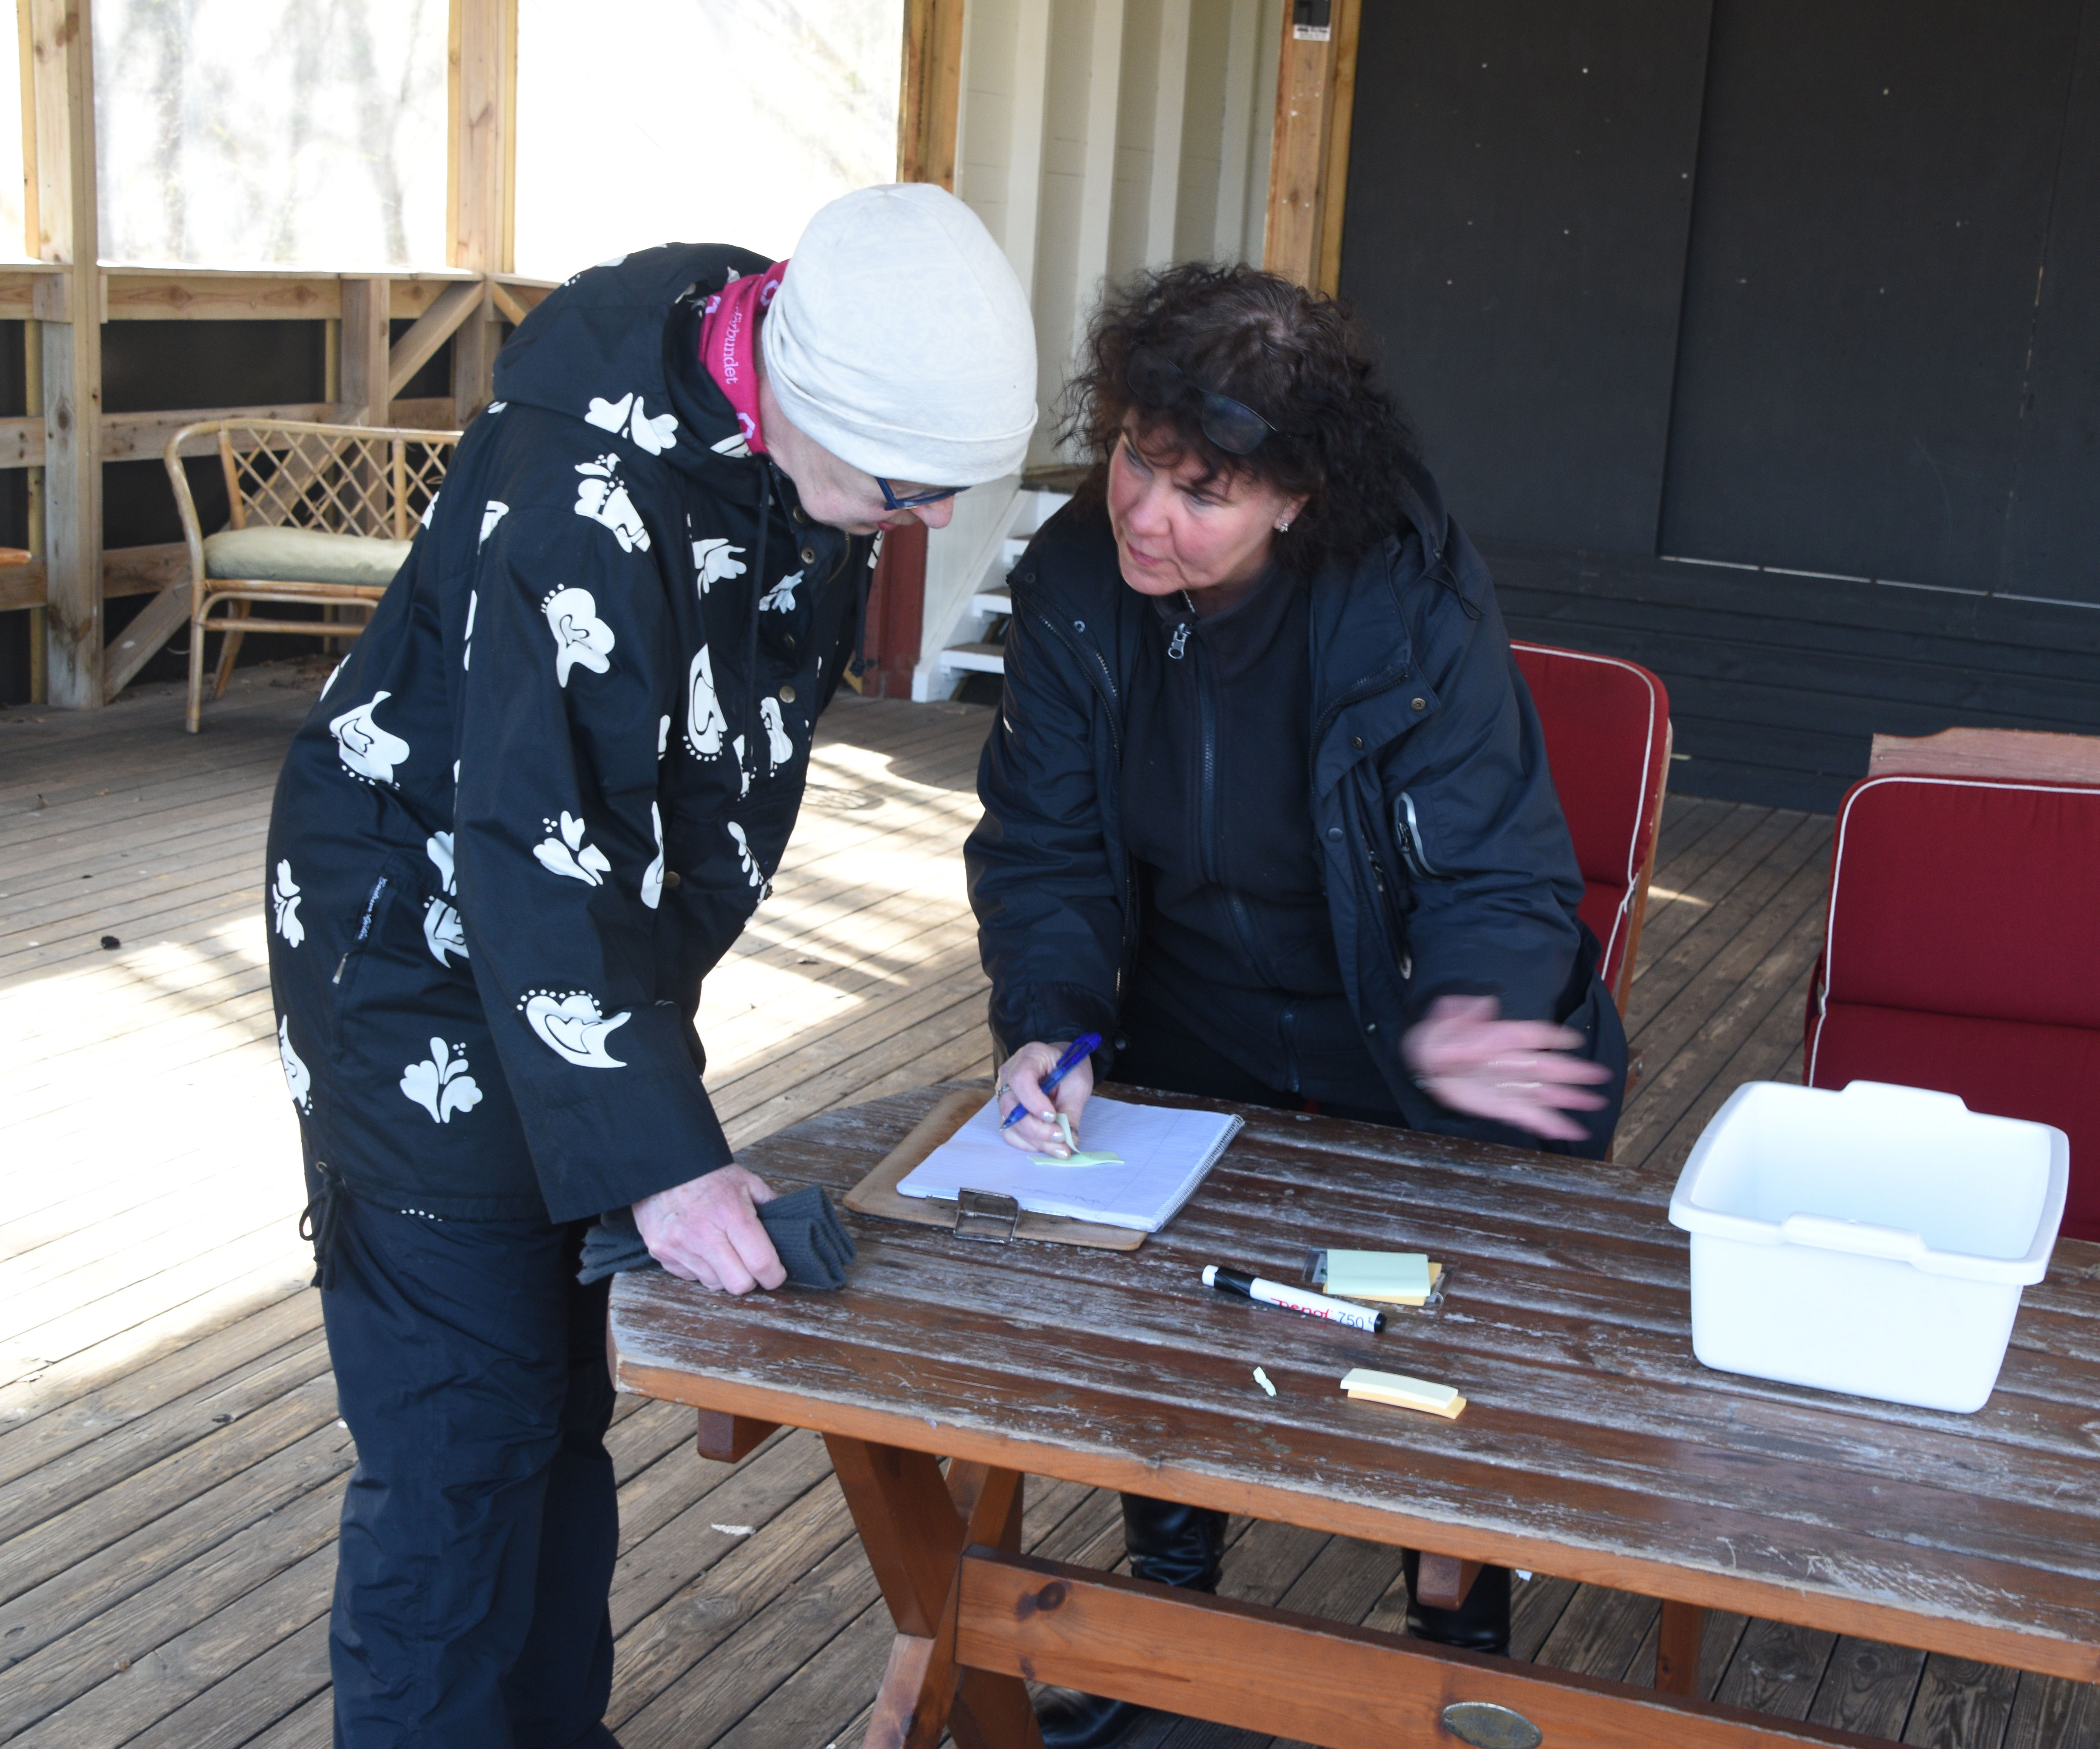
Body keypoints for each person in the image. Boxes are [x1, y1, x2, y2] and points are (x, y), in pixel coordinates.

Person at [265, 183, 1035, 1747]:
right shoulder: (577, 494)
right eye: (905, 488)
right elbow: (529, 844)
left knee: (557, 1411)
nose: (926, 521)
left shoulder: (782, 399)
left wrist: (644, 1134)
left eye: (949, 491)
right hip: (414, 962)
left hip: (584, 963)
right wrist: (664, 1165)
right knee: (462, 1445)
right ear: (803, 400)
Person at [965, 262, 1627, 1749]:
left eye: (1201, 490)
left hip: (1413, 1040)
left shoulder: (1406, 594)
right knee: (1150, 1301)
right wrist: (1051, 1022)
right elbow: (1043, 846)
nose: (1145, 513)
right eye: (1134, 457)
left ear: (1295, 498)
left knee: (1440, 1319)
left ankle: (1456, 1640)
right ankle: (1167, 1619)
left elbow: (1500, 870)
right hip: (1191, 1027)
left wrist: (1469, 1016)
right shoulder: (1074, 582)